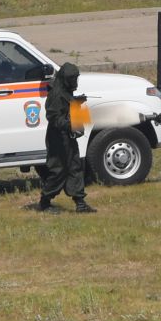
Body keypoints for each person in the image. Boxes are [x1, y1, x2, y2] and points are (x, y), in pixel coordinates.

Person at [36, 61, 95, 213]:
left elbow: (68, 107)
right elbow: (54, 117)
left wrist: (77, 102)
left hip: (69, 137)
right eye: (73, 79)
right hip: (58, 139)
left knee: (75, 167)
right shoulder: (55, 94)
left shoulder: (67, 91)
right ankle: (45, 202)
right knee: (58, 170)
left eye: (76, 79)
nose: (75, 82)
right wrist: (68, 124)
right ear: (65, 79)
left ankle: (80, 203)